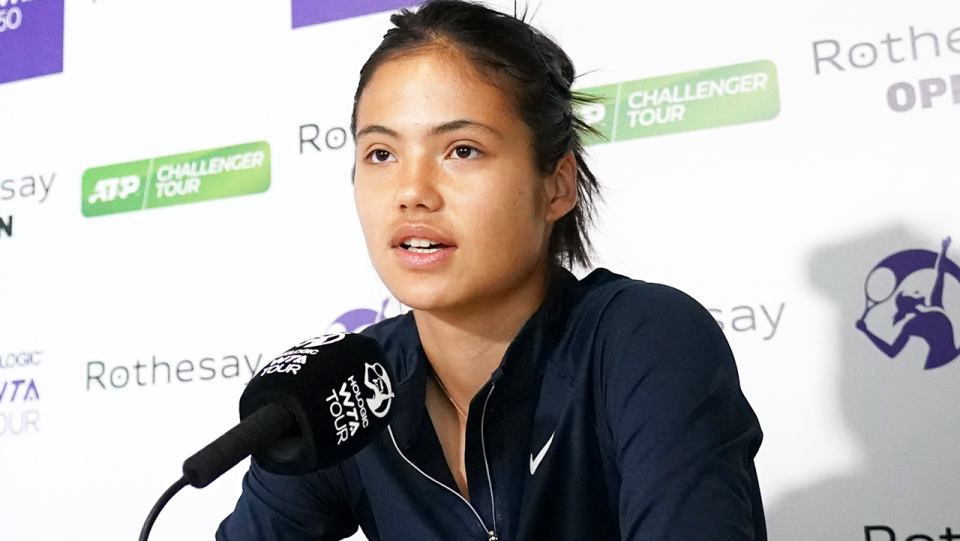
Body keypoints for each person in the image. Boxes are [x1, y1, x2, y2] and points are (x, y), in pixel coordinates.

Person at [217, 1, 765, 539]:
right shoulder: (341, 392)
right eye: (381, 154)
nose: (411, 193)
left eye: (461, 150)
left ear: (557, 184)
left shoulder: (643, 340)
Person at [857, 236, 960, 369]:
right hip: (936, 364)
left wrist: (944, 250)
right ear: (910, 302)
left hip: (947, 360)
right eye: (914, 293)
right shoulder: (913, 324)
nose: (917, 292)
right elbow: (892, 352)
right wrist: (866, 331)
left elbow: (940, 272)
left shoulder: (934, 305)